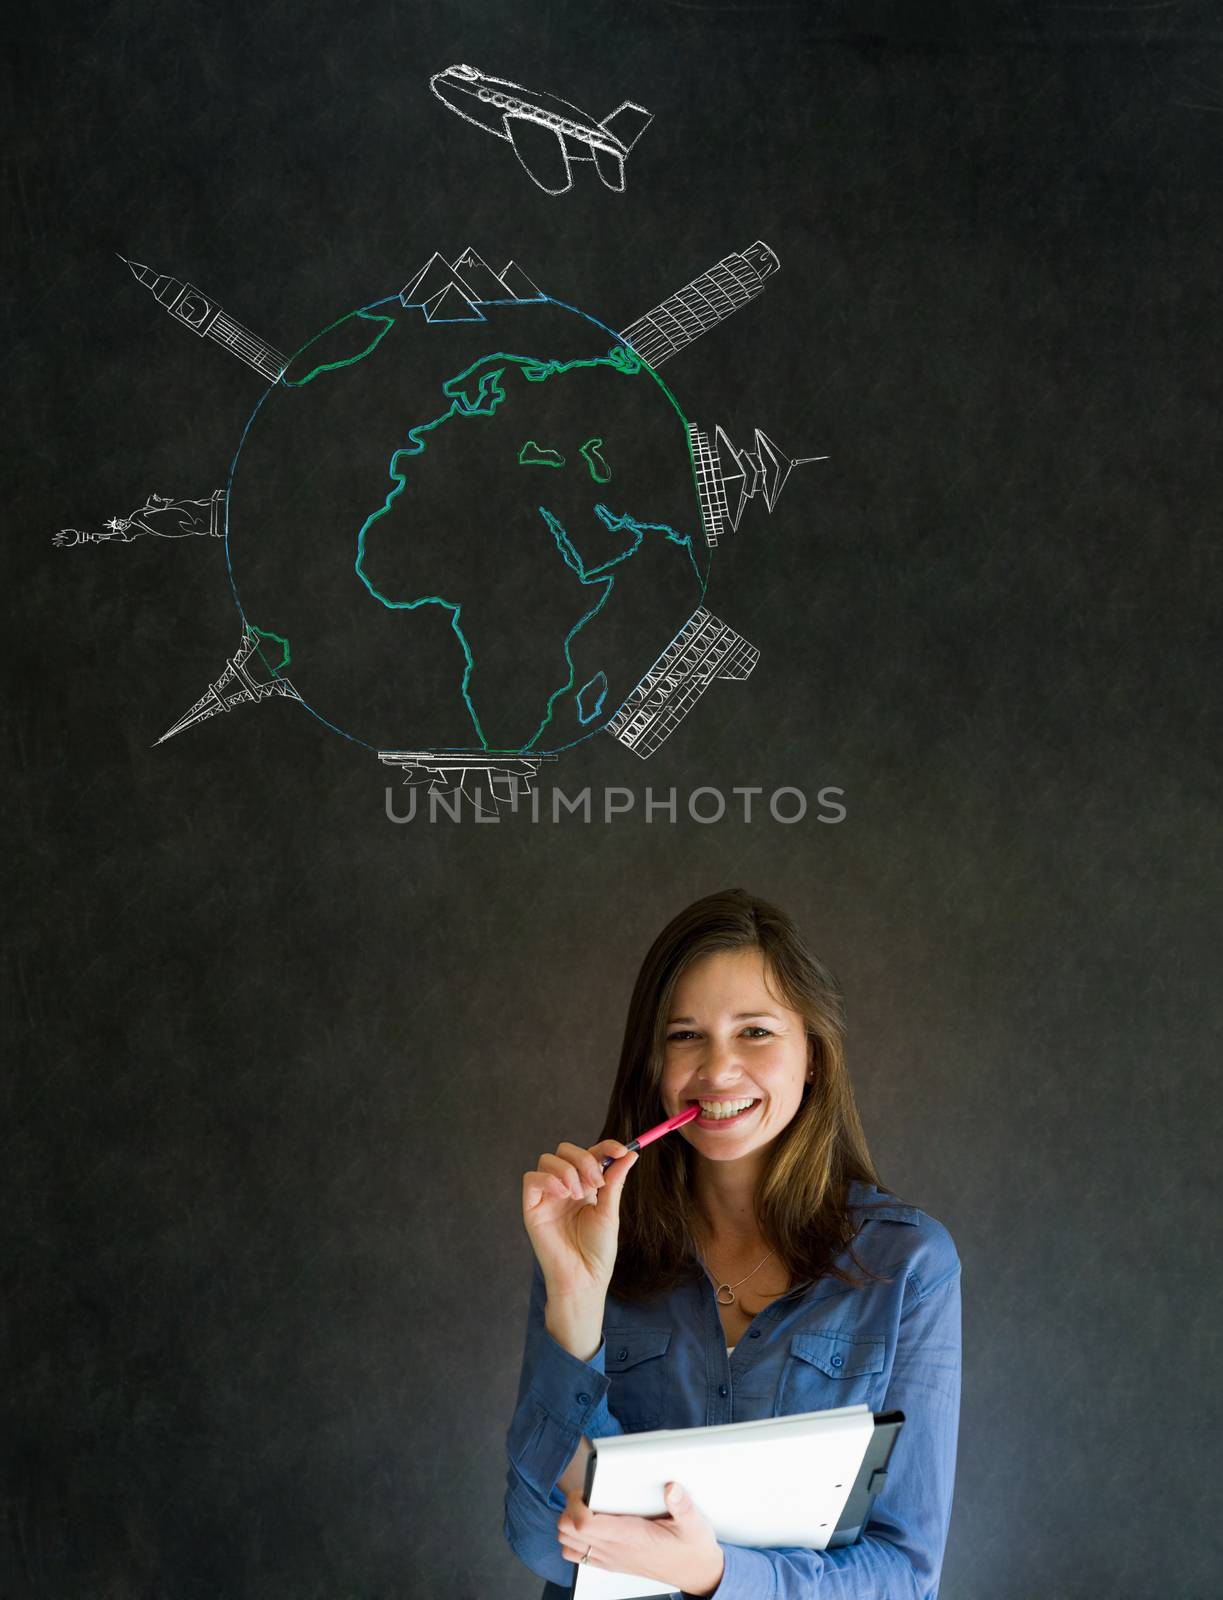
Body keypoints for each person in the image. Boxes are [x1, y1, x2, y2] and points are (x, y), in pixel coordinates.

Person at [504, 888, 962, 1599]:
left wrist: (710, 1574)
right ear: (653, 1066)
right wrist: (574, 1294)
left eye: (754, 1032)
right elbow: (541, 1538)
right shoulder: (588, 1243)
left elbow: (904, 1574)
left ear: (812, 1054)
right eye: (685, 1035)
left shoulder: (908, 1266)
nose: (717, 1072)